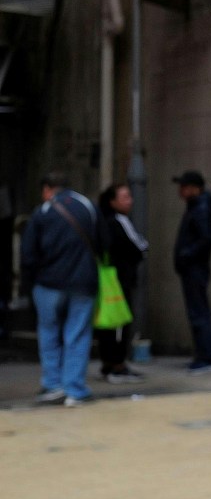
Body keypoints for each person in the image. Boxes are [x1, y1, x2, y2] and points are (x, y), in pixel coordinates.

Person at [20, 172, 103, 407]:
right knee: (77, 334)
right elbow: (103, 242)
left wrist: (29, 283)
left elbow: (28, 253)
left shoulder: (42, 212)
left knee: (49, 333)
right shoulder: (88, 206)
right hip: (83, 282)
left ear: (47, 189)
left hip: (48, 284)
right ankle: (75, 389)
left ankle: (53, 385)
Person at [97, 183, 148, 383]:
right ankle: (117, 364)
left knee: (109, 323)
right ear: (113, 201)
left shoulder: (104, 222)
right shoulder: (117, 222)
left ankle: (109, 362)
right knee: (119, 322)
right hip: (119, 280)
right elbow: (137, 247)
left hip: (110, 278)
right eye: (125, 197)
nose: (130, 201)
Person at [173, 170, 211, 374]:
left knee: (199, 312)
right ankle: (203, 355)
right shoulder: (196, 207)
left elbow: (204, 239)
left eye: (184, 187)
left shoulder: (201, 208)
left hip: (195, 267)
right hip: (191, 266)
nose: (181, 191)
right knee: (197, 312)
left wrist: (186, 255)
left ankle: (206, 357)